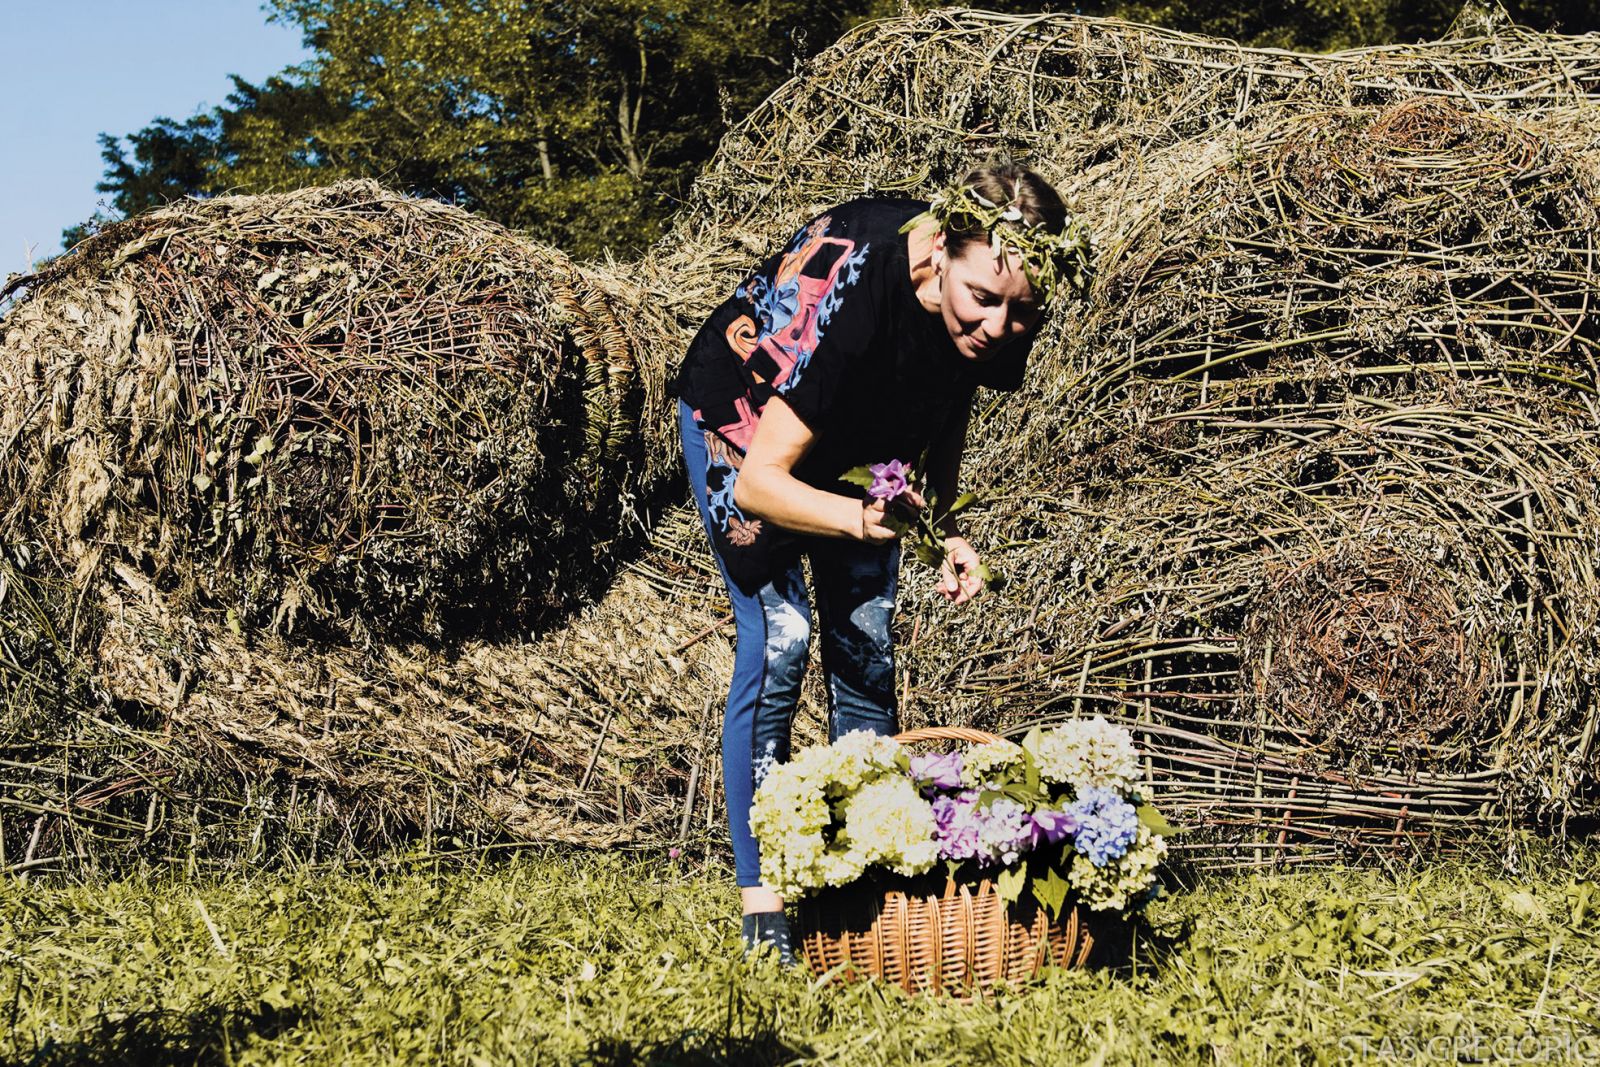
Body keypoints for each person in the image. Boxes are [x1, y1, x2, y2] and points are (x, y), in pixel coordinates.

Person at [670, 160, 1090, 963]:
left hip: (855, 441)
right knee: (785, 636)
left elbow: (950, 396)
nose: (999, 327)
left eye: (1022, 313)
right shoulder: (865, 290)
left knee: (865, 644)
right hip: (747, 422)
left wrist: (941, 524)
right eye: (983, 301)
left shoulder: (1000, 301)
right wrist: (860, 522)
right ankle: (766, 901)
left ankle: (862, 875)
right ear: (937, 256)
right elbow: (763, 482)